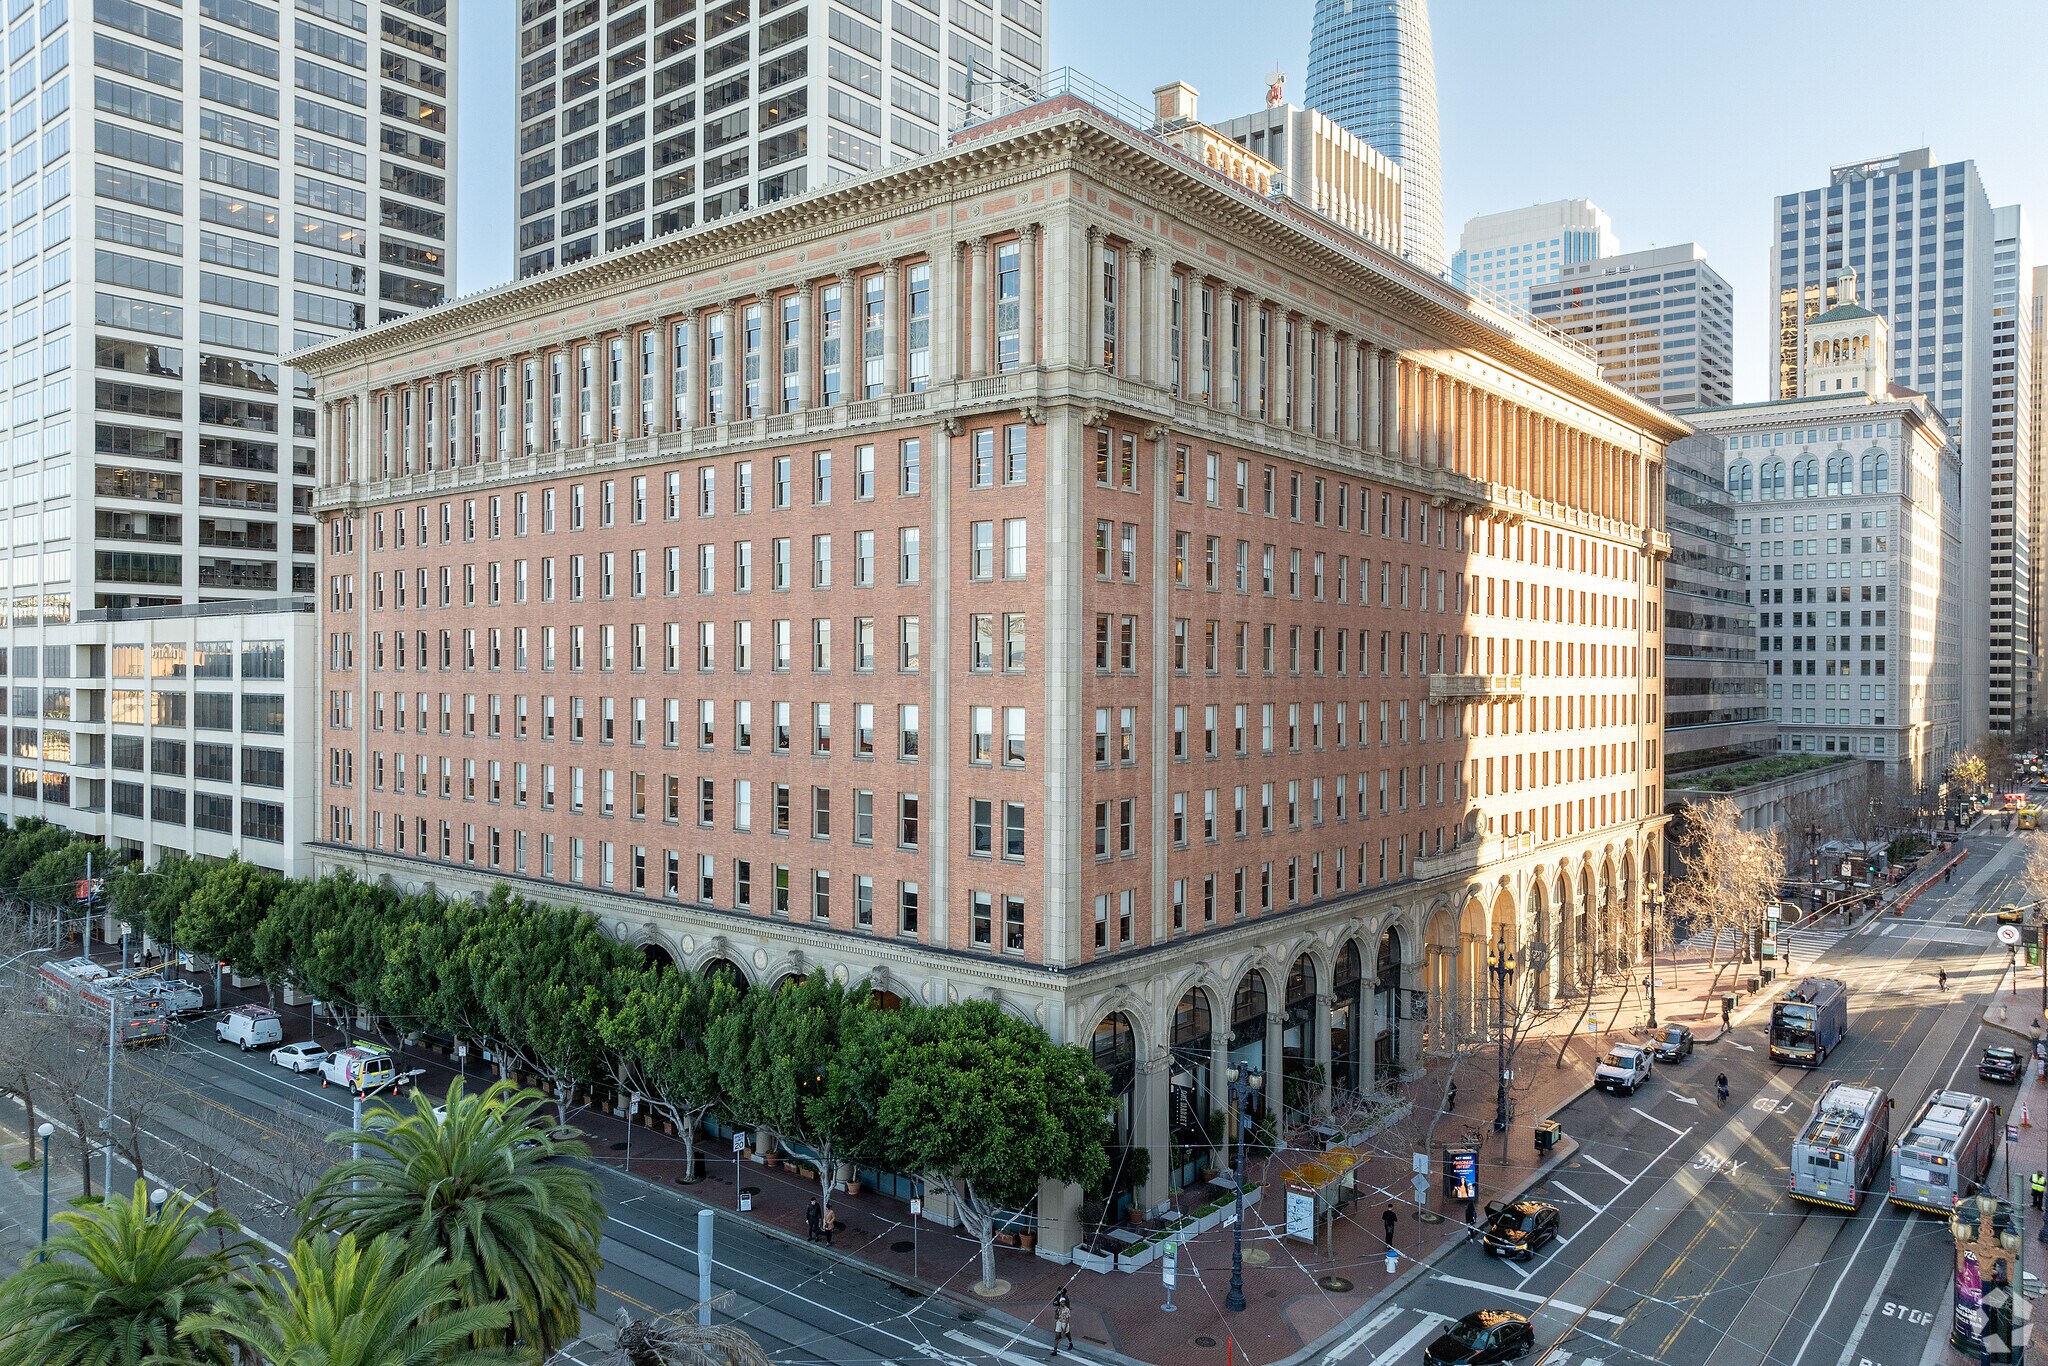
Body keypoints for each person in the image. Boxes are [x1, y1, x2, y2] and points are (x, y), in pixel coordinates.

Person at [1050, 1288, 1073, 1356]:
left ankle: (1070, 1343)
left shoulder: (1066, 1309)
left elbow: (1068, 1318)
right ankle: (1055, 1350)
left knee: (1067, 1334)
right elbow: (1054, 1304)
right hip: (1059, 1321)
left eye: (1063, 1302)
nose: (1062, 1303)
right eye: (1061, 1302)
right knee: (1057, 1336)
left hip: (1064, 1322)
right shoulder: (1058, 1307)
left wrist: (1065, 1327)